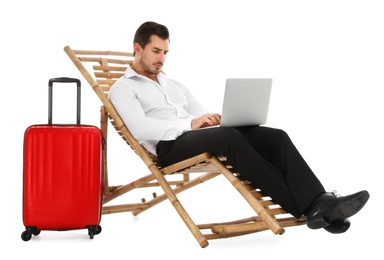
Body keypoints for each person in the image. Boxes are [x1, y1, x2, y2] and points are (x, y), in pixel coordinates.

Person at [109, 21, 370, 234]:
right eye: (156, 51)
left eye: (166, 52)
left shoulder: (172, 84)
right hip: (168, 148)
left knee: (275, 137)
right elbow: (141, 129)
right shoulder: (123, 88)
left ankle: (321, 201)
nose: (162, 58)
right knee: (230, 138)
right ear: (137, 48)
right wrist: (191, 123)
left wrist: (216, 118)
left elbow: (200, 113)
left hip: (195, 136)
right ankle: (310, 208)